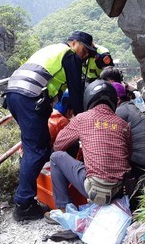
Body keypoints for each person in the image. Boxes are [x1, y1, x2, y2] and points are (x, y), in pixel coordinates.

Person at [6, 31, 96, 221]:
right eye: (84, 49)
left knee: (38, 145)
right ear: (73, 43)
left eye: (89, 53)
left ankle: (29, 191)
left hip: (14, 93)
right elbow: (76, 92)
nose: (85, 55)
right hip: (29, 96)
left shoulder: (53, 49)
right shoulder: (69, 55)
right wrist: (82, 121)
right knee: (36, 150)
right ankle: (23, 204)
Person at [48, 80, 132, 215]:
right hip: (120, 190)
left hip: (96, 190)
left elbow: (58, 145)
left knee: (56, 157)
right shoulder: (123, 125)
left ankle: (64, 210)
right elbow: (128, 154)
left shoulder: (82, 118)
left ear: (88, 99)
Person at [111, 82, 145, 210]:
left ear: (118, 99)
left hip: (139, 162)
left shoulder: (120, 111)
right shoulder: (131, 106)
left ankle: (120, 204)